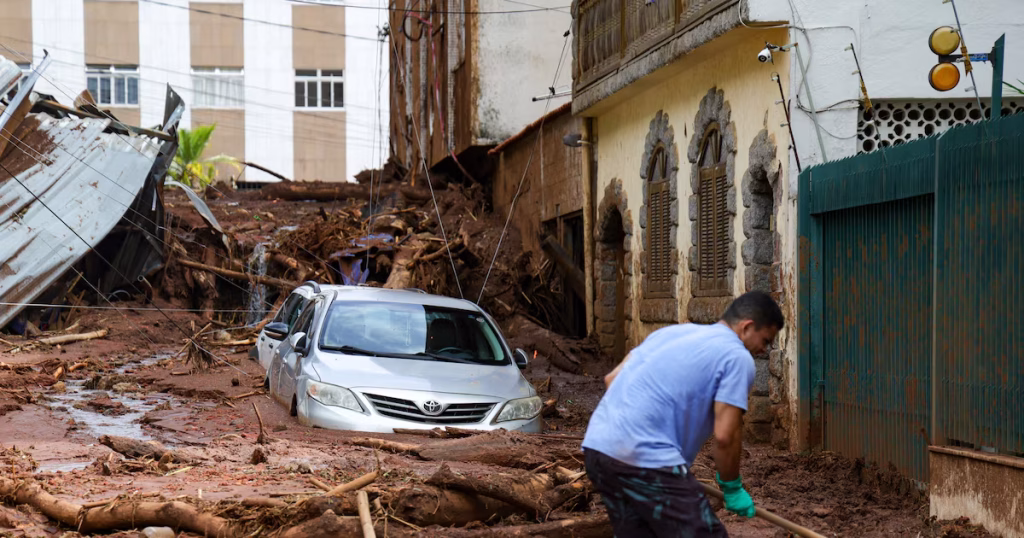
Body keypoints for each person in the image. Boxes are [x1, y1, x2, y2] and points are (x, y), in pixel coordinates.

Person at [582, 291, 784, 537]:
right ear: (747, 327)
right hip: (647, 459)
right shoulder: (737, 357)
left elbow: (611, 379)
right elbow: (725, 436)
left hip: (598, 449)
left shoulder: (671, 333)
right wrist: (731, 487)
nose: (764, 350)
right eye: (765, 341)